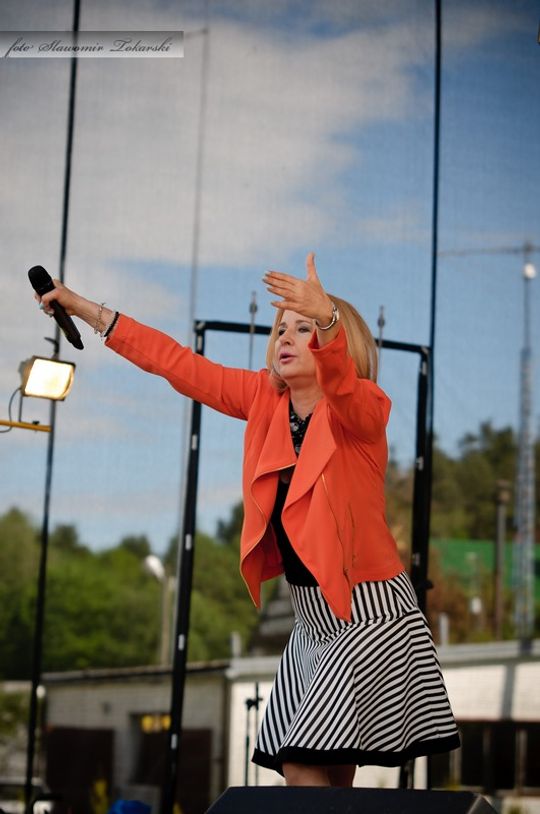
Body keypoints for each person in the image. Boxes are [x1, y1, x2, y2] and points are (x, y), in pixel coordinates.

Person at [36, 252, 459, 787]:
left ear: (337, 343)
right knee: (328, 773)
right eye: (282, 328)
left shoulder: (364, 410)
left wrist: (327, 317)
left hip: (368, 612)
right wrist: (81, 307)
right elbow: (175, 363)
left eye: (304, 328)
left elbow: (346, 389)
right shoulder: (263, 399)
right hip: (312, 619)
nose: (286, 337)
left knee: (300, 759)